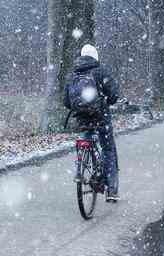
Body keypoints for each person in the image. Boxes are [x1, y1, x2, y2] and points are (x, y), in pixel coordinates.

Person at [64, 44, 120, 202]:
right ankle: (112, 190)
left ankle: (80, 168)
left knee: (84, 139)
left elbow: (66, 102)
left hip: (82, 118)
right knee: (108, 149)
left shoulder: (73, 74)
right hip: (101, 117)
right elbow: (114, 94)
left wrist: (80, 106)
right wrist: (106, 102)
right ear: (95, 56)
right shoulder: (101, 71)